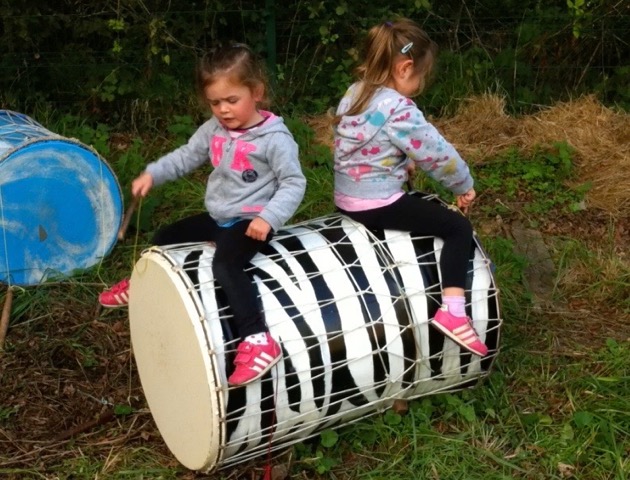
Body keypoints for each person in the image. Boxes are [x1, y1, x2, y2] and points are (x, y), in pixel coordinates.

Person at [99, 43, 307, 385]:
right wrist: (154, 173)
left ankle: (258, 339)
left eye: (231, 100)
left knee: (225, 265)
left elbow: (293, 183)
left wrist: (268, 217)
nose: (223, 110)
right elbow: (186, 155)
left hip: (252, 221)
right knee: (163, 238)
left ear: (256, 92)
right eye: (215, 102)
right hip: (219, 216)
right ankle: (144, 286)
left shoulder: (275, 139)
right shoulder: (214, 129)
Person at [333, 18, 488, 357]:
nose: (419, 85)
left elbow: (362, 148)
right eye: (420, 77)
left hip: (345, 199)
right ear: (404, 68)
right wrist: (463, 183)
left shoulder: (355, 93)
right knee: (457, 227)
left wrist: (402, 162)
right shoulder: (398, 109)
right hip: (377, 203)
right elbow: (437, 154)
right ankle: (453, 311)